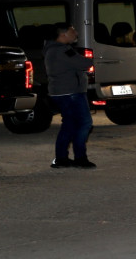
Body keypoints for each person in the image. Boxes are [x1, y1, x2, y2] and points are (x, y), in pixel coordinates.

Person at [44, 22, 96, 168]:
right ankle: (80, 158)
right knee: (84, 123)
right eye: (73, 31)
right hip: (70, 93)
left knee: (69, 125)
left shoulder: (53, 49)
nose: (76, 34)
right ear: (63, 34)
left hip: (63, 92)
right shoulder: (63, 50)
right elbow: (84, 63)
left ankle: (62, 158)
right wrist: (89, 60)